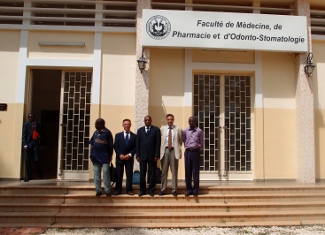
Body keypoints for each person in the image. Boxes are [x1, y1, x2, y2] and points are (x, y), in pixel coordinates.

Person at [136, 115, 161, 197]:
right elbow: (138, 144)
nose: (147, 121)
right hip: (142, 156)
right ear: (144, 121)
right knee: (142, 173)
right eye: (146, 120)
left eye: (148, 120)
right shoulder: (140, 131)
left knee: (152, 173)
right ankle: (142, 190)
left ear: (151, 121)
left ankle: (151, 190)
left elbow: (158, 143)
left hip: (153, 156)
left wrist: (157, 154)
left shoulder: (156, 130)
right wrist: (137, 155)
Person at [159, 114, 182, 197]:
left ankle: (174, 189)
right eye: (168, 119)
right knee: (164, 172)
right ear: (166, 120)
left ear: (173, 120)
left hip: (174, 151)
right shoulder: (162, 129)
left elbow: (180, 141)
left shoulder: (178, 129)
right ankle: (163, 189)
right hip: (165, 151)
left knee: (174, 171)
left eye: (171, 119)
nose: (170, 121)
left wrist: (179, 151)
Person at [89, 118, 113, 197]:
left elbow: (110, 147)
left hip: (105, 157)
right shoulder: (95, 132)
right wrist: (91, 153)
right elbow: (92, 143)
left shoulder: (107, 133)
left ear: (101, 124)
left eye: (97, 123)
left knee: (106, 174)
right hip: (95, 157)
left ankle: (108, 190)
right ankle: (98, 190)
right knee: (96, 175)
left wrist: (110, 156)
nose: (95, 125)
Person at [113, 119, 137, 195]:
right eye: (125, 124)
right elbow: (116, 146)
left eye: (128, 124)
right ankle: (118, 189)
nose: (127, 126)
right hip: (120, 158)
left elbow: (136, 147)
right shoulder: (118, 135)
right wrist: (120, 154)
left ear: (130, 125)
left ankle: (129, 190)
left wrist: (130, 154)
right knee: (119, 175)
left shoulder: (134, 136)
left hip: (129, 159)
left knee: (129, 175)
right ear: (123, 125)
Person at [183, 116, 204, 197]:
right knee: (187, 172)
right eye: (190, 121)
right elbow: (184, 141)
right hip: (188, 152)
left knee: (195, 172)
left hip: (195, 152)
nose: (192, 122)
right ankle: (188, 189)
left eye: (193, 121)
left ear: (196, 122)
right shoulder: (185, 131)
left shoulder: (199, 131)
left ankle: (195, 190)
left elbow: (201, 143)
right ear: (188, 122)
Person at [22, 113, 43, 182]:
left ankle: (40, 174)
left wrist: (38, 138)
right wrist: (25, 144)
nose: (30, 118)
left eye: (31, 117)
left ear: (34, 117)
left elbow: (41, 134)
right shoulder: (26, 125)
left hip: (35, 144)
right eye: (29, 117)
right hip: (28, 145)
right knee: (27, 160)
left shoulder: (38, 124)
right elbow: (24, 136)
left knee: (36, 160)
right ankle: (28, 176)